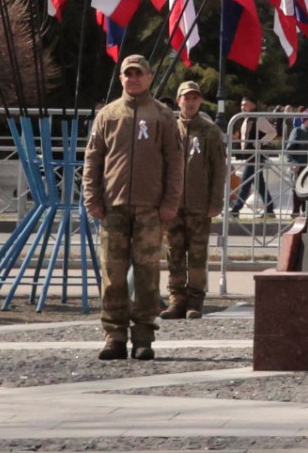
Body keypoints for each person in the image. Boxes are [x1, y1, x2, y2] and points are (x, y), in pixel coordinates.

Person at [82, 53, 183, 360]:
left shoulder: (163, 116)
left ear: (149, 77)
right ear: (121, 78)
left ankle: (143, 337)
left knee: (146, 275)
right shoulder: (107, 115)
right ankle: (114, 336)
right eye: (129, 74)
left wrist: (170, 202)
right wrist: (92, 199)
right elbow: (93, 159)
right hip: (113, 207)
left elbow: (175, 163)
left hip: (150, 209)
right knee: (112, 275)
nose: (134, 78)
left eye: (139, 73)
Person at [164, 80, 229, 319]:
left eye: (195, 98)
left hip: (199, 204)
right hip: (173, 204)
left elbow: (219, 169)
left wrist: (215, 202)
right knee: (174, 253)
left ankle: (195, 301)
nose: (190, 102)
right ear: (178, 100)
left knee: (198, 255)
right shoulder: (169, 129)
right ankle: (176, 300)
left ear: (200, 101)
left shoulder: (210, 131)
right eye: (186, 98)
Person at [228, 98, 278, 218]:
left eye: (246, 104)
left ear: (253, 105)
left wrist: (261, 142)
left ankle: (236, 209)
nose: (242, 107)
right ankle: (270, 209)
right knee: (260, 185)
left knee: (245, 183)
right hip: (250, 156)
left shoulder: (259, 119)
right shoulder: (245, 119)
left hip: (256, 156)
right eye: (241, 105)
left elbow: (272, 132)